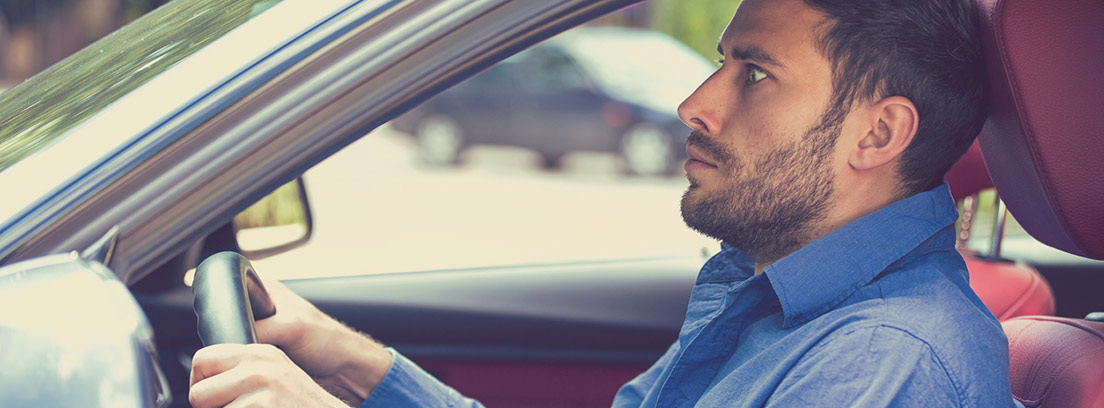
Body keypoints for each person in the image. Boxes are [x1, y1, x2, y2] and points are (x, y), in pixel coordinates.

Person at [188, 0, 1014, 406]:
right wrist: (343, 359)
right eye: (720, 62)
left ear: (877, 135)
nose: (696, 101)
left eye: (754, 74)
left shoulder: (884, 365)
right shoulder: (769, 292)